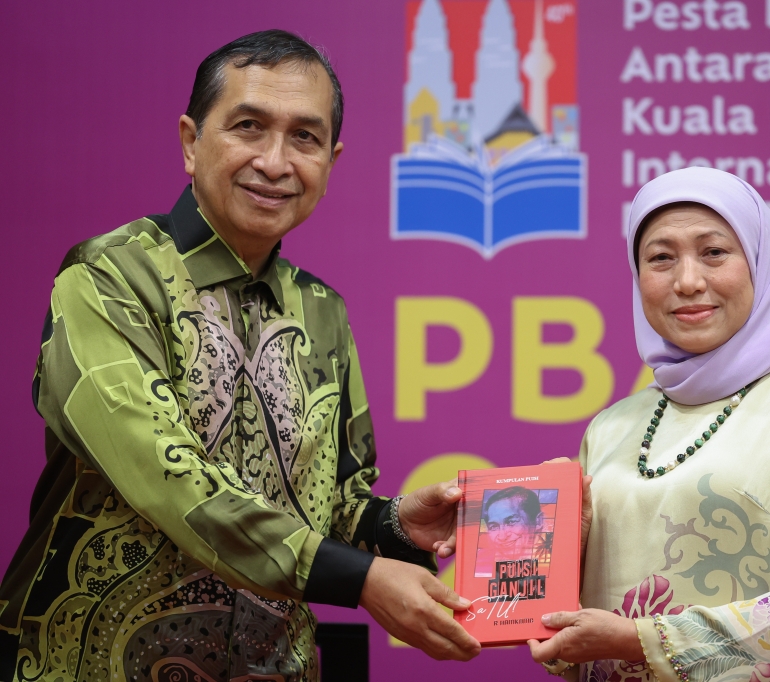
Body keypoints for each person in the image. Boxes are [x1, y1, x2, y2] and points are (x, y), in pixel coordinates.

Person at [0, 30, 480, 680]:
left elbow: (327, 504)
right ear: (191, 142)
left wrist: (392, 525)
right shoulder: (110, 279)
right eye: (248, 126)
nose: (276, 162)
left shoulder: (322, 311)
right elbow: (172, 481)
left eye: (304, 137)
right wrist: (360, 579)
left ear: (331, 161)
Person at [528, 167, 770, 681]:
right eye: (661, 258)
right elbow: (576, 643)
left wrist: (640, 640)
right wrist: (558, 560)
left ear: (760, 262)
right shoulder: (611, 427)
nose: (688, 281)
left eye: (714, 252)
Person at [482, 486, 545, 563]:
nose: (502, 537)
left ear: (538, 521)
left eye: (511, 522)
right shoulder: (483, 561)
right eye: (494, 527)